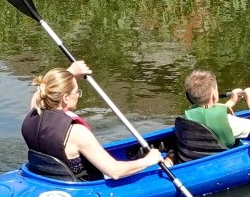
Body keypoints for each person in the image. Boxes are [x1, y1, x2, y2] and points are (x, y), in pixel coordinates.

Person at [21, 61, 167, 180]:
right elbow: (115, 172)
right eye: (77, 92)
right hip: (80, 189)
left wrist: (70, 73)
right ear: (65, 98)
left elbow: (42, 91)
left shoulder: (32, 115)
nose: (79, 95)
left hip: (47, 178)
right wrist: (148, 160)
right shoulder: (76, 132)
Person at [178, 69, 250, 157]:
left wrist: (232, 101)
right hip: (226, 158)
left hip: (197, 156)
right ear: (214, 95)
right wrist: (249, 98)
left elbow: (208, 112)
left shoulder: (187, 116)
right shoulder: (230, 122)